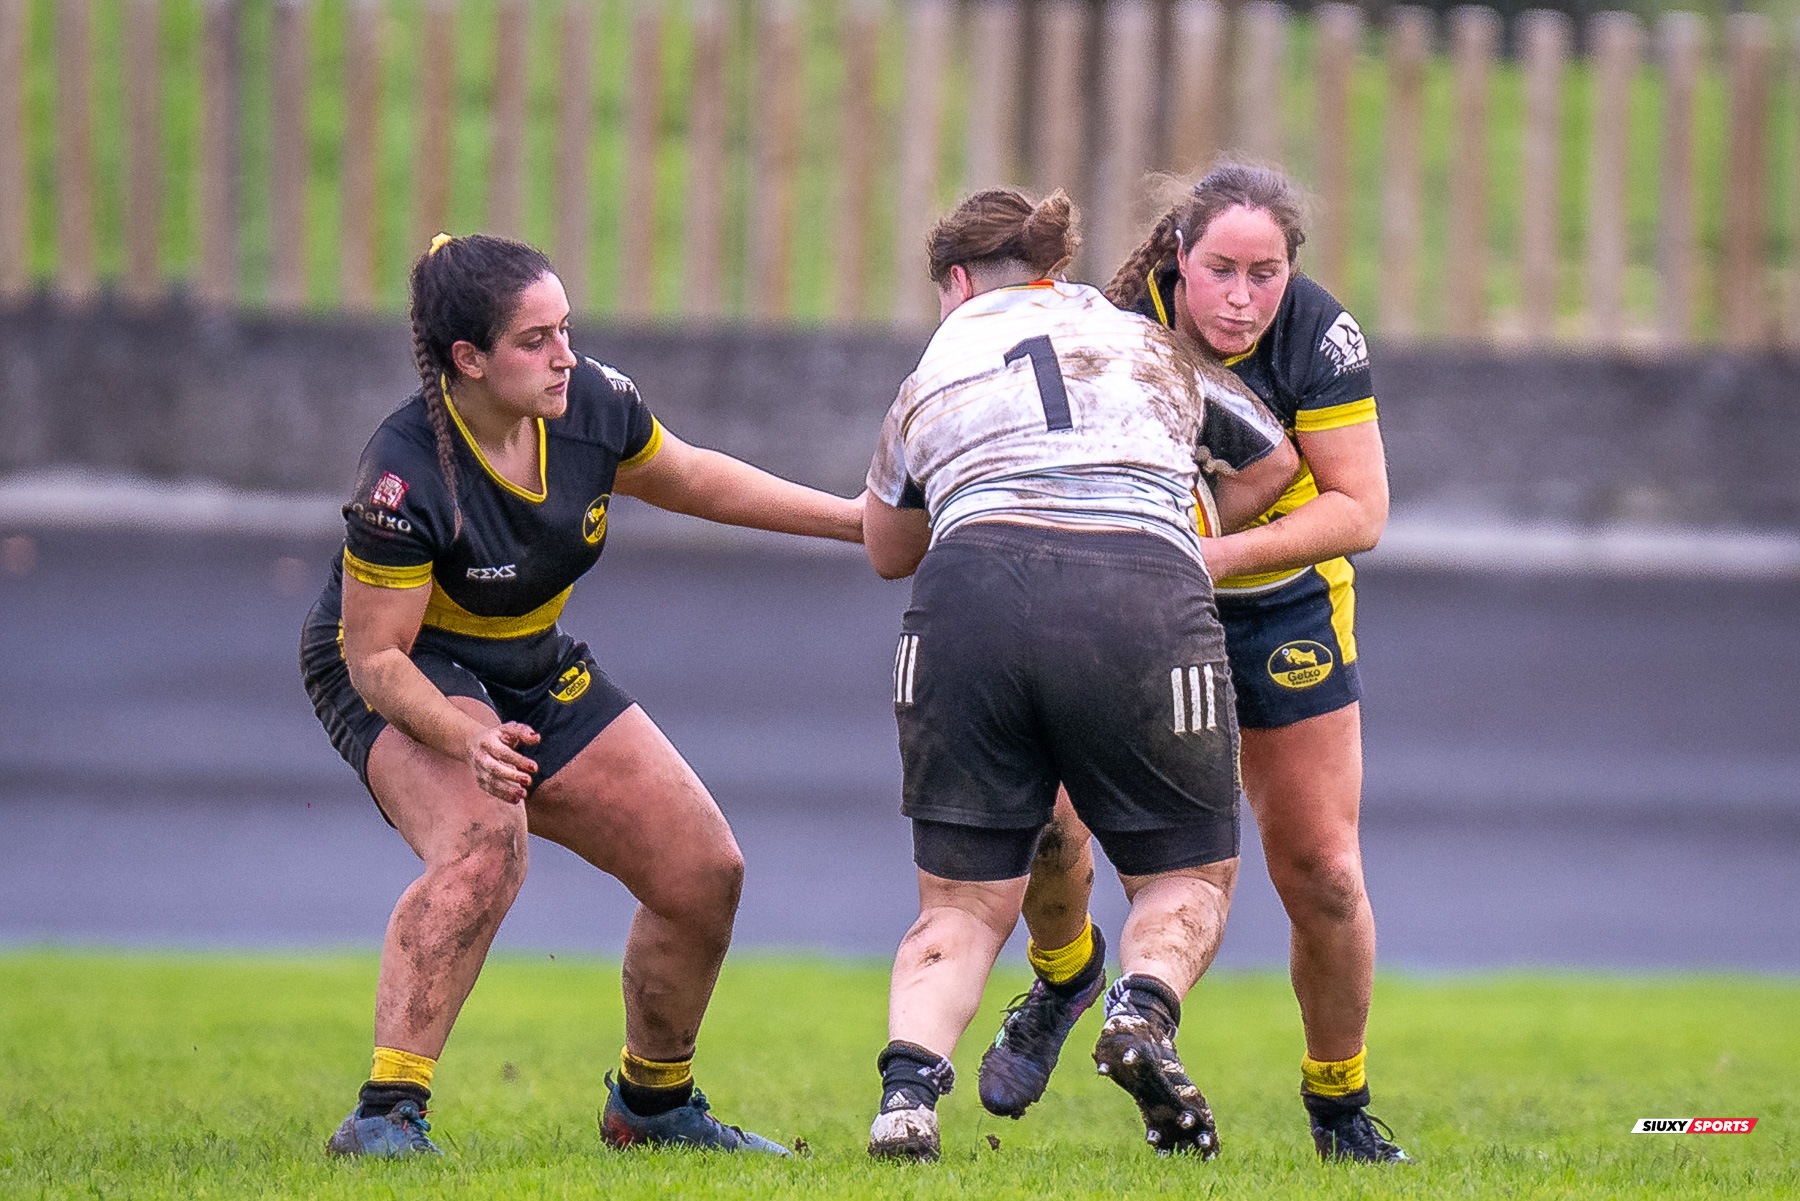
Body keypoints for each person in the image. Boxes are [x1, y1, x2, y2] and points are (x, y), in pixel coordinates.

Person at [300, 233, 861, 1158]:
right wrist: (464, 736)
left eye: (566, 328)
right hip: (406, 669)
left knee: (701, 870)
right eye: (535, 340)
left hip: (529, 658)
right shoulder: (404, 474)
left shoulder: (591, 403)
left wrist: (855, 522)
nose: (566, 354)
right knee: (487, 840)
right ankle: (384, 1115)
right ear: (467, 360)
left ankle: (652, 1106)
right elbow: (377, 662)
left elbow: (690, 476)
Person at [975, 162, 1408, 1164]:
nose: (1245, 298)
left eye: (1267, 273)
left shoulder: (1318, 333)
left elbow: (1361, 510)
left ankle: (1338, 1105)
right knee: (1047, 825)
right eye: (1223, 270)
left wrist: (1207, 551)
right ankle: (1065, 973)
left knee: (1326, 871)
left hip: (1285, 609)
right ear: (1180, 255)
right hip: (1131, 608)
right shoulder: (1113, 325)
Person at [860, 188, 1297, 1162]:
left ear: (959, 282)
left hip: (970, 596)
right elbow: (1271, 455)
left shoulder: (941, 360)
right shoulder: (1136, 337)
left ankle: (907, 1096)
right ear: (1054, 272)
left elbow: (887, 545)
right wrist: (1189, 518)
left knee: (961, 902)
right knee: (1184, 875)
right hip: (1139, 588)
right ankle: (1141, 1010)